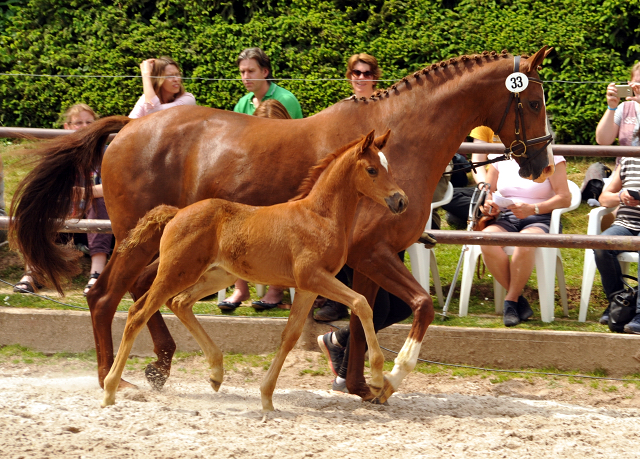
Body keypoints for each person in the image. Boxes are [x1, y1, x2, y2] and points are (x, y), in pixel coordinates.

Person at [317, 54, 413, 392]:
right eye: (355, 72)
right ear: (349, 77)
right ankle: (346, 371)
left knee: (400, 305)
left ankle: (338, 341)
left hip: (385, 225)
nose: (361, 77)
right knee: (378, 303)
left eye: (367, 73)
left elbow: (391, 174)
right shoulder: (340, 116)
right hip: (353, 229)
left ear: (376, 77)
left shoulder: (388, 115)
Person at [219, 48, 303, 311]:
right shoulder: (242, 104)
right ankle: (240, 289)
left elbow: (297, 142)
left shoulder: (286, 99)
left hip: (284, 179)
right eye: (242, 72)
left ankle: (276, 290)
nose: (245, 77)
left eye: (250, 71)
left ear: (265, 72)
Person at [14, 104, 101, 293]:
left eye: (89, 122)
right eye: (78, 123)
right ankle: (32, 274)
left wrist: (85, 192)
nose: (84, 127)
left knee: (98, 201)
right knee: (38, 203)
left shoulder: (105, 151)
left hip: (96, 225)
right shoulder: (56, 153)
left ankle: (96, 274)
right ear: (67, 127)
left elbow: (113, 186)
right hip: (61, 221)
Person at [479, 150, 570, 326]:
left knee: (525, 240)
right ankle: (517, 299)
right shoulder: (500, 158)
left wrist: (534, 209)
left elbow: (565, 198)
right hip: (507, 216)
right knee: (486, 239)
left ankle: (511, 301)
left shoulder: (553, 159)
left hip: (542, 217)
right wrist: (489, 203)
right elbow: (487, 191)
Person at [592, 63, 640, 332]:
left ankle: (638, 314)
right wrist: (612, 105)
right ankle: (619, 302)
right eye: (636, 82)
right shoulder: (626, 110)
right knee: (602, 245)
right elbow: (603, 139)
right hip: (628, 178)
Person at [128, 56, 196, 119]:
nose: (176, 79)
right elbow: (130, 123)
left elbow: (155, 114)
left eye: (177, 74)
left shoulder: (188, 99)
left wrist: (146, 75)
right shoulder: (146, 98)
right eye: (170, 76)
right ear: (157, 79)